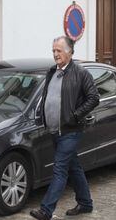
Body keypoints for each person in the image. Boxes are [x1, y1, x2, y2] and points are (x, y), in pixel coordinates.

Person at [29, 36, 99, 220]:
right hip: (54, 131)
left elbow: (94, 98)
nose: (55, 54)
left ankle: (46, 210)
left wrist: (75, 115)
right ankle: (85, 203)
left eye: (59, 50)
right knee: (73, 167)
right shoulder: (52, 71)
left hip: (70, 131)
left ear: (69, 52)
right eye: (53, 51)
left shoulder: (81, 73)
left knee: (60, 169)